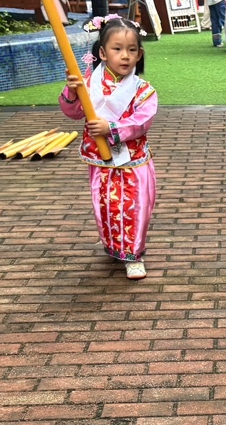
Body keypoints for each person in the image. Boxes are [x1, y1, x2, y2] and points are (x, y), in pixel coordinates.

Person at [60, 16, 158, 280]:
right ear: (102, 53)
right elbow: (73, 112)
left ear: (139, 54)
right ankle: (115, 246)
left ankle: (134, 254)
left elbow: (141, 122)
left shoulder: (143, 90)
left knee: (135, 206)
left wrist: (111, 128)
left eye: (131, 50)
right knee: (105, 205)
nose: (125, 56)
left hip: (132, 161)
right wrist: (72, 93)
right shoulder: (88, 85)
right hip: (101, 161)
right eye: (117, 49)